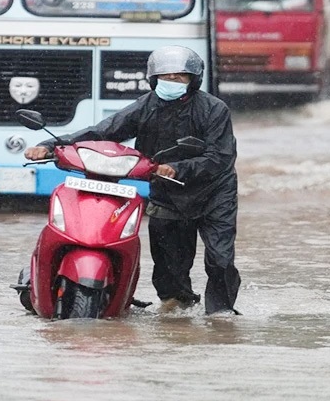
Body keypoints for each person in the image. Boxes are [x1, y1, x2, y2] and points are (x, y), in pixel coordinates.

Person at [24, 45, 241, 315]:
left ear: (193, 80)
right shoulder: (146, 106)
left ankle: (221, 315)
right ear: (153, 79)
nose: (171, 82)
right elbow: (103, 131)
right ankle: (178, 310)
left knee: (220, 259)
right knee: (168, 267)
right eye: (165, 77)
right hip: (167, 192)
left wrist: (176, 168)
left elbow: (220, 157)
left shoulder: (214, 109)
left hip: (214, 192)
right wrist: (49, 145)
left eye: (179, 77)